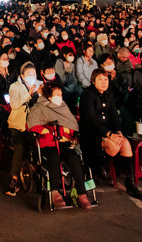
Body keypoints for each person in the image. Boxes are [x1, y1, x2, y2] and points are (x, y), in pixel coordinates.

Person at [27, 82, 95, 210]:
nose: (60, 97)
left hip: (63, 141)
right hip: (47, 143)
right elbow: (32, 124)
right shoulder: (38, 107)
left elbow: (71, 125)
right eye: (57, 94)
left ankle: (81, 193)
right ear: (49, 96)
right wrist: (45, 131)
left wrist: (65, 131)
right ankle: (54, 192)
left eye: (61, 94)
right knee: (54, 158)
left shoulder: (63, 107)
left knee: (74, 158)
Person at [80, 69, 141, 199]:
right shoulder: (87, 95)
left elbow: (114, 115)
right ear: (93, 81)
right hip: (92, 132)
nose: (103, 82)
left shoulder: (109, 94)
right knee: (113, 147)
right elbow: (90, 119)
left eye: (106, 79)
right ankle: (100, 166)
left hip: (108, 130)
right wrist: (108, 134)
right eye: (100, 79)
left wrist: (118, 131)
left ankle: (130, 182)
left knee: (125, 144)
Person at [5, 61, 40, 195]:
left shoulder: (40, 86)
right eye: (29, 74)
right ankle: (14, 180)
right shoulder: (15, 87)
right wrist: (28, 94)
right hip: (18, 124)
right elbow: (14, 104)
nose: (32, 77)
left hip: (35, 124)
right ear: (22, 76)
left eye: (34, 74)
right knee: (20, 145)